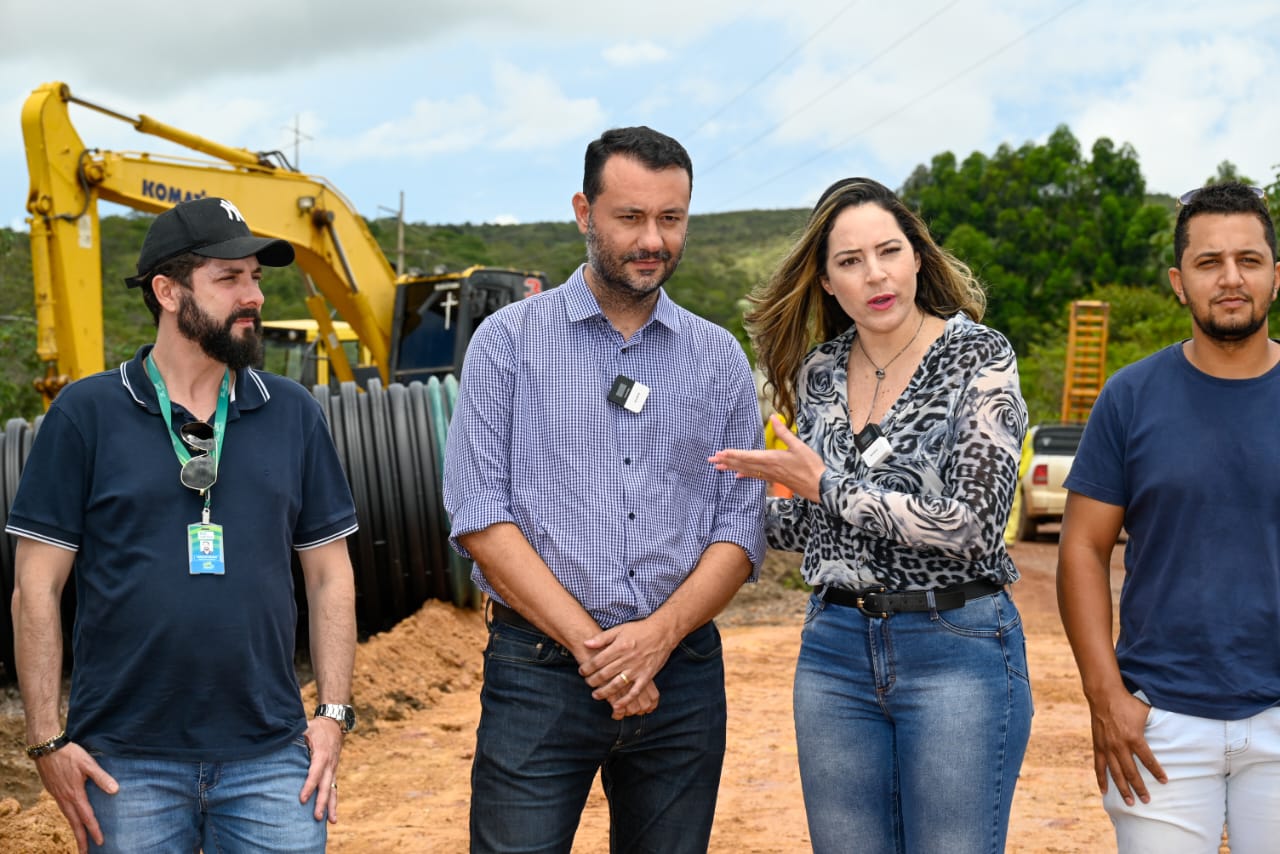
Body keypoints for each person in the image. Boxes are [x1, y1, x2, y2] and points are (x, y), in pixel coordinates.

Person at [443, 126, 765, 853]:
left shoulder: (717, 358)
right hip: (539, 675)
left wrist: (656, 640)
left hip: (680, 678)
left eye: (671, 218)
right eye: (630, 217)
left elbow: (739, 528)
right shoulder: (507, 343)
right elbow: (480, 517)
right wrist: (604, 654)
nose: (653, 239)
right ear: (584, 212)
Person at [7, 196, 359, 853]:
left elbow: (329, 576)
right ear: (167, 291)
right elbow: (36, 588)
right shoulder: (86, 415)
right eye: (229, 279)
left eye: (255, 276)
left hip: (272, 754)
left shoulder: (292, 413)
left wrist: (333, 716)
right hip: (123, 764)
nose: (251, 294)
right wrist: (47, 739)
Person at [709, 177, 1032, 854]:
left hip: (957, 645)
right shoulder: (820, 372)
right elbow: (818, 528)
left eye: (889, 251)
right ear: (826, 283)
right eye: (850, 262)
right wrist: (720, 504)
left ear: (917, 256)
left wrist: (822, 483)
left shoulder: (979, 356)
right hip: (834, 653)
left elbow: (972, 525)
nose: (875, 274)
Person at [1057, 181, 1280, 852]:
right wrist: (1106, 698)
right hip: (1160, 725)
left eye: (1250, 259)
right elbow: (1080, 551)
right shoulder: (1129, 396)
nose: (1231, 278)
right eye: (1209, 262)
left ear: (1277, 274)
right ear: (1179, 282)